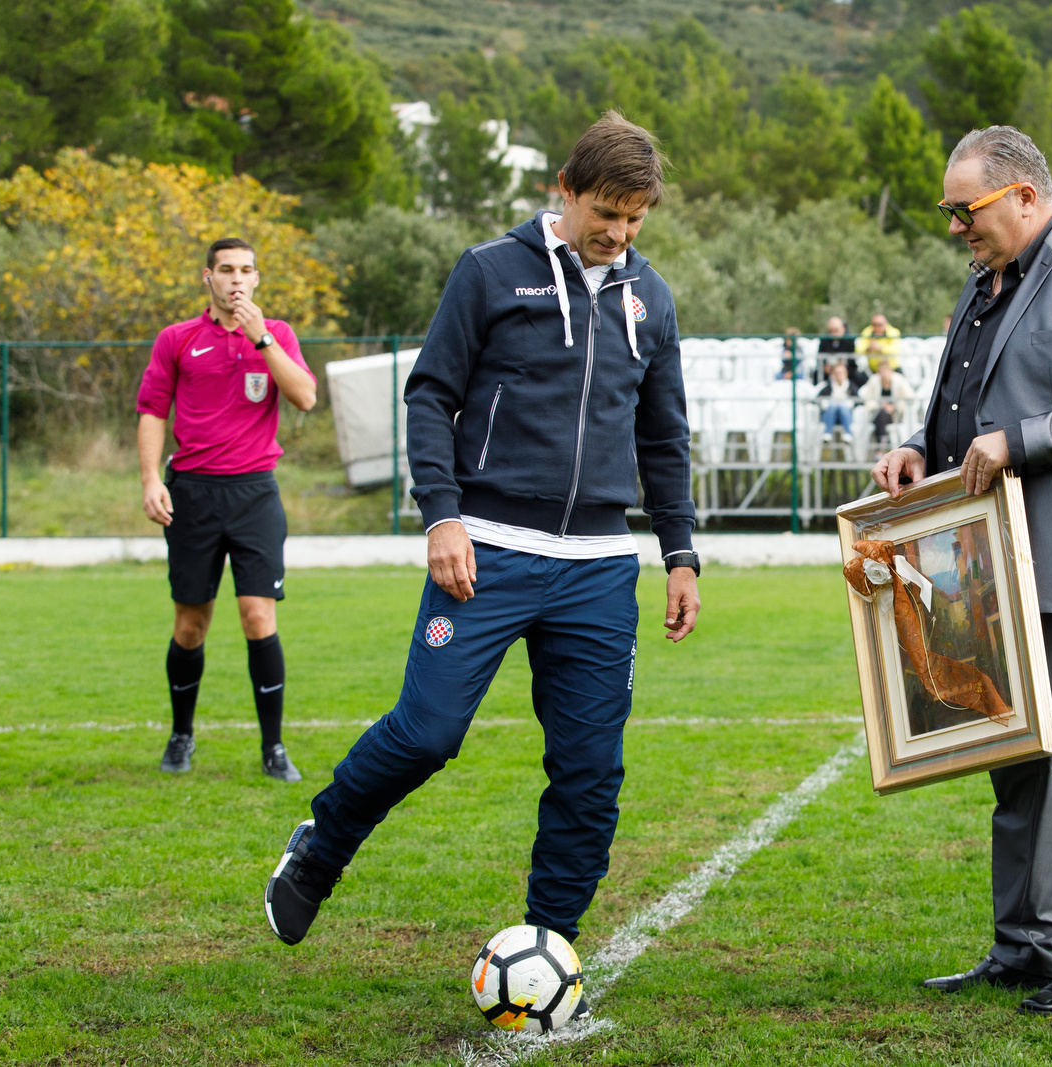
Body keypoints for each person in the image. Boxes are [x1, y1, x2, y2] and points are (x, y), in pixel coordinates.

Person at [261, 115, 702, 985]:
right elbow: (430, 397)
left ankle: (550, 946)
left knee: (590, 770)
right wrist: (443, 516)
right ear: (565, 192)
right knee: (425, 736)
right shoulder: (489, 272)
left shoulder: (652, 298)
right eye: (607, 211)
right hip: (488, 548)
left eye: (636, 218)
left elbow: (664, 436)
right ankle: (322, 845)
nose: (619, 233)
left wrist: (680, 552)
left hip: (600, 566)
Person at [875, 124, 1052, 1014]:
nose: (955, 226)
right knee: (1017, 761)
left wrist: (1022, 444)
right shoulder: (980, 284)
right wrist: (920, 448)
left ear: (1025, 197)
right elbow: (968, 413)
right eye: (948, 212)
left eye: (964, 210)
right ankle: (1026, 944)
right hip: (991, 562)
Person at [135, 237, 318, 782]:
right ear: (207, 277)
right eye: (226, 270)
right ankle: (180, 736)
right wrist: (150, 479)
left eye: (246, 270)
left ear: (257, 279)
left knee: (258, 616)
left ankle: (273, 748)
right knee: (191, 623)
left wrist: (261, 336)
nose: (237, 279)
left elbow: (305, 397)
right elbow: (151, 411)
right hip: (191, 493)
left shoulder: (276, 335)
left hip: (255, 493)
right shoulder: (177, 339)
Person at [856, 359, 917, 449]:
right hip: (877, 413)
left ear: (891, 371)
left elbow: (910, 397)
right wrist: (880, 406)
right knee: (881, 414)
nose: (884, 374)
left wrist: (894, 407)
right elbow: (868, 399)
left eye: (886, 371)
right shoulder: (874, 380)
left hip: (895, 415)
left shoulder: (899, 380)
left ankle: (880, 444)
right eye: (881, 371)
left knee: (882, 415)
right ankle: (882, 440)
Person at [815, 315, 866, 387]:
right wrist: (826, 367)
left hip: (847, 373)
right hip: (828, 374)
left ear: (843, 328)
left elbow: (852, 362)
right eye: (830, 331)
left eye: (836, 330)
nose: (833, 333)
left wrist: (841, 367)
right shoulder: (824, 341)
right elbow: (820, 358)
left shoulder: (850, 340)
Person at [817, 359, 860, 442]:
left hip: (846, 415)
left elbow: (859, 401)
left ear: (845, 374)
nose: (839, 375)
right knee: (832, 405)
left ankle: (848, 433)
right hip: (830, 414)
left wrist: (847, 404)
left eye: (840, 373)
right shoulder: (828, 386)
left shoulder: (851, 387)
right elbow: (818, 399)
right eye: (836, 373)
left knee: (843, 407)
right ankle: (827, 433)